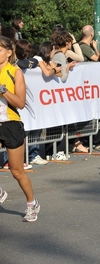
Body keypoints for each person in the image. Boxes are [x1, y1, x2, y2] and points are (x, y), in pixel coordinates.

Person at [0, 35, 40, 221]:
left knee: (16, 171)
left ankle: (32, 204)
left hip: (11, 124)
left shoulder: (15, 72)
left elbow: (21, 103)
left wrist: (3, 91)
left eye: (0, 49)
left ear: (8, 53)